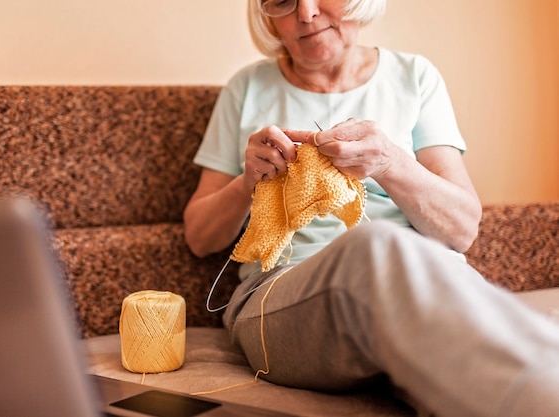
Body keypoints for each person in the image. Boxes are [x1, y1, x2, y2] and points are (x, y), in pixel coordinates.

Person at [183, 0, 559, 416]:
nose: (306, 13)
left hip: (423, 281)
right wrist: (246, 182)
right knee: (373, 246)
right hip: (278, 293)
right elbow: (199, 238)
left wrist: (390, 162)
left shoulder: (415, 77)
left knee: (453, 349)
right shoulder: (246, 87)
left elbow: (461, 231)